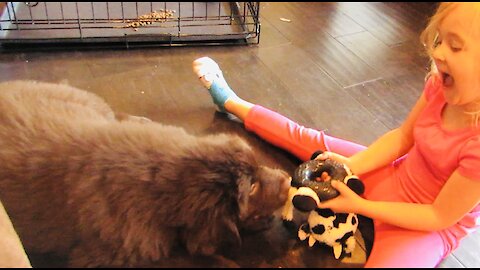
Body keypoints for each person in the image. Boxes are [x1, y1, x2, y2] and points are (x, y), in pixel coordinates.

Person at [191, 2, 480, 267]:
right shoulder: (439, 85)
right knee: (311, 141)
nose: (438, 52)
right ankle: (229, 100)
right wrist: (353, 166)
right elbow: (403, 137)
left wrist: (363, 206)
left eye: (455, 47)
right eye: (440, 40)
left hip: (425, 226)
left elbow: (438, 216)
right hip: (396, 175)